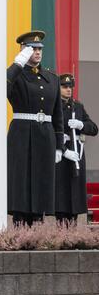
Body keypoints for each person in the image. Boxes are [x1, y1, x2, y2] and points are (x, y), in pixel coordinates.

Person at [7, 30, 64, 227]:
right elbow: (2, 88)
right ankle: (20, 225)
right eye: (32, 48)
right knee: (21, 181)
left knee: (41, 181)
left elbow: (58, 114)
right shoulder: (16, 75)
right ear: (23, 50)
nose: (38, 52)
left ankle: (37, 227)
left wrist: (59, 145)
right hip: (22, 133)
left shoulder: (51, 78)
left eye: (39, 48)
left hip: (45, 135)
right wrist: (17, 64)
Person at [54, 73, 97, 225]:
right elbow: (51, 131)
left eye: (70, 87)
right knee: (62, 194)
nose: (68, 90)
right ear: (58, 88)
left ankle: (72, 228)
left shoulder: (77, 106)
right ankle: (62, 228)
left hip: (77, 153)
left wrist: (81, 125)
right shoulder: (54, 106)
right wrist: (64, 150)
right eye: (64, 87)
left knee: (75, 193)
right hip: (62, 152)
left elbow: (94, 128)